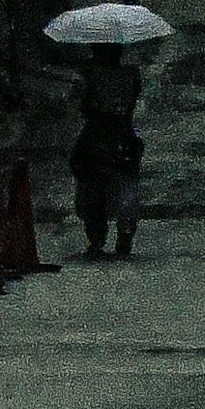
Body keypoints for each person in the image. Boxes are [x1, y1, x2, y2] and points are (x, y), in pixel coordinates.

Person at [69, 44, 146, 260]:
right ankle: (124, 232)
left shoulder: (90, 75)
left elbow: (82, 106)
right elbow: (131, 102)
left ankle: (98, 238)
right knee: (123, 188)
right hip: (121, 135)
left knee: (93, 189)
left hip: (97, 136)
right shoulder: (131, 75)